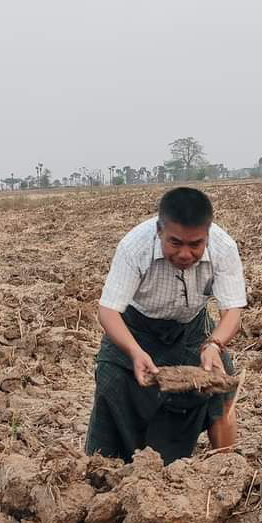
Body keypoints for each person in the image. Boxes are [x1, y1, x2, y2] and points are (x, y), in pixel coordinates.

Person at [85, 186, 246, 466]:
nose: (185, 254)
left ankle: (226, 471)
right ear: (159, 230)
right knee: (113, 381)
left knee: (221, 386)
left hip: (191, 330)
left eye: (195, 244)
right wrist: (135, 352)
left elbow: (232, 311)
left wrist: (214, 345)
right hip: (134, 330)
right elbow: (108, 311)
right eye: (175, 243)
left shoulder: (224, 248)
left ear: (208, 234)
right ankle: (104, 473)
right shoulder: (134, 247)